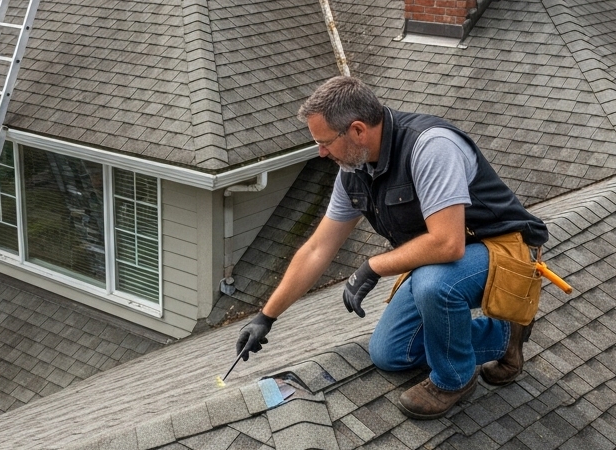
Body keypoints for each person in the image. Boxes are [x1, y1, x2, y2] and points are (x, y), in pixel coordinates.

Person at [234, 76, 548, 419]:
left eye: (325, 142)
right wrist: (266, 317)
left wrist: (374, 266)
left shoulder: (430, 147)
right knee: (390, 353)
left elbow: (448, 243)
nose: (321, 152)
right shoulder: (353, 171)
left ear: (357, 131)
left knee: (435, 286)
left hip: (504, 249)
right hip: (441, 262)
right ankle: (506, 335)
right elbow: (317, 249)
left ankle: (454, 379)